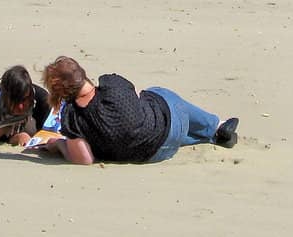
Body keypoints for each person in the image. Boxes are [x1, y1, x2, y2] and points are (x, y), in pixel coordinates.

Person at [32, 56, 238, 165]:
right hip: (168, 127)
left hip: (152, 154)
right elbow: (138, 96)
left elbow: (84, 158)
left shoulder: (72, 119)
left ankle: (210, 136)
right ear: (82, 74)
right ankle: (215, 126)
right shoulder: (111, 84)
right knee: (157, 93)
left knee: (141, 130)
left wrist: (59, 144)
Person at [0, 64, 53, 147]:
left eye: (24, 100)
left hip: (38, 129)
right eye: (15, 101)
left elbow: (49, 135)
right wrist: (17, 137)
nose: (20, 106)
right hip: (12, 128)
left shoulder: (43, 101)